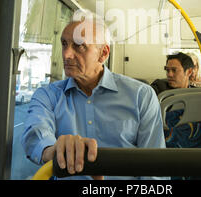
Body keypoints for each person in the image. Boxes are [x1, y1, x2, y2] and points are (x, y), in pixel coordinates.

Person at [21, 11, 167, 180]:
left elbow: (155, 168)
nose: (66, 54)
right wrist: (53, 151)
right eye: (64, 43)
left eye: (79, 46)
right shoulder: (48, 95)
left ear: (103, 53)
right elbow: (35, 132)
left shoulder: (142, 96)